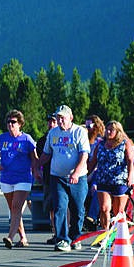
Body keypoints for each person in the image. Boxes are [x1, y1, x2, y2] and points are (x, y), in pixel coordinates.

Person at [39, 105, 90, 252]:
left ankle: (75, 237)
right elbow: (47, 153)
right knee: (59, 207)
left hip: (77, 178)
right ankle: (62, 239)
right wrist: (36, 166)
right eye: (58, 117)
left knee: (77, 209)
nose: (60, 120)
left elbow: (84, 155)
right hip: (57, 177)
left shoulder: (79, 132)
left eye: (63, 117)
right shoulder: (53, 133)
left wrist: (76, 173)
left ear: (70, 118)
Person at [0, 110, 37, 248]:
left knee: (16, 206)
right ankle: (23, 238)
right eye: (8, 122)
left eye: (13, 122)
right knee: (14, 209)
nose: (10, 124)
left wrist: (37, 172)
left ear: (20, 124)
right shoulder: (1, 138)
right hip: (6, 178)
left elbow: (34, 158)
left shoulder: (26, 139)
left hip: (23, 178)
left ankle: (10, 237)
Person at [87, 120, 134, 229]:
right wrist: (84, 174)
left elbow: (130, 160)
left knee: (118, 212)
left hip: (119, 181)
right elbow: (93, 162)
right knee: (104, 208)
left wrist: (130, 176)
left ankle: (118, 233)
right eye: (107, 129)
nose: (108, 132)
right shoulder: (100, 145)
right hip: (103, 180)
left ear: (118, 132)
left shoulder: (125, 144)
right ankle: (105, 233)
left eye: (111, 130)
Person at [35, 114, 59, 243]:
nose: (51, 124)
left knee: (63, 206)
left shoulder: (64, 138)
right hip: (48, 177)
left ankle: (65, 232)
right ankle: (56, 233)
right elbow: (39, 159)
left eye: (54, 121)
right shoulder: (42, 140)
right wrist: (37, 170)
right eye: (49, 122)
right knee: (51, 206)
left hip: (63, 176)